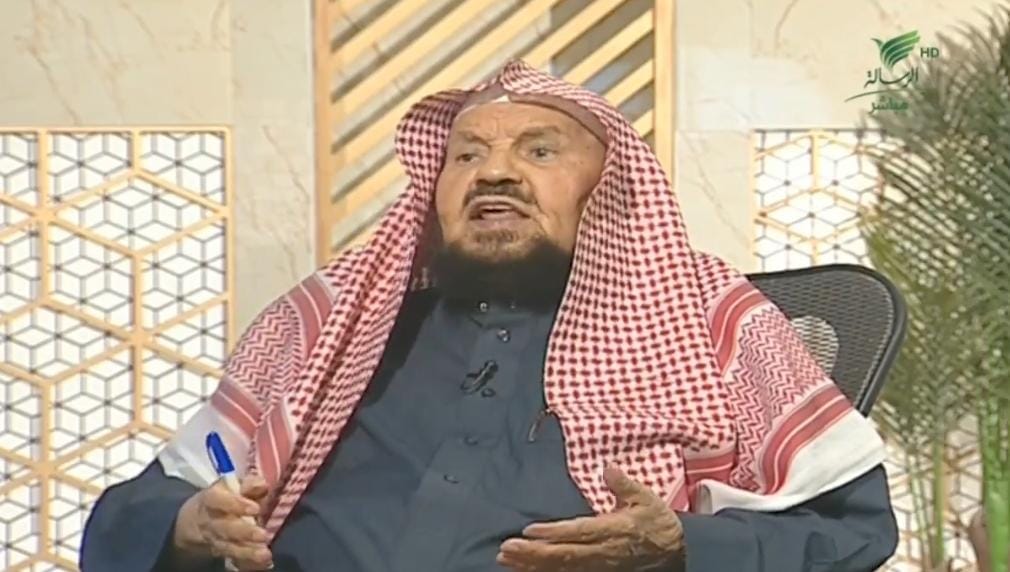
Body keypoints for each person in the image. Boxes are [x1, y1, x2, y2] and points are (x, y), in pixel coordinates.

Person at [80, 60, 899, 571]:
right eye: (467, 154)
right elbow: (138, 511)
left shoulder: (706, 321)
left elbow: (854, 530)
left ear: (607, 190)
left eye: (539, 151)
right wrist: (192, 525)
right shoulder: (338, 327)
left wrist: (681, 548)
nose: (494, 173)